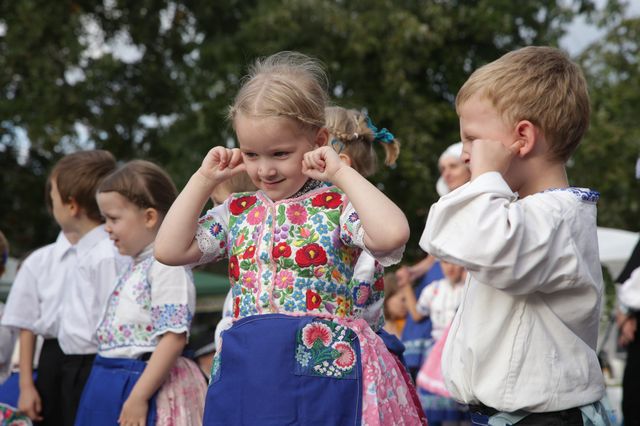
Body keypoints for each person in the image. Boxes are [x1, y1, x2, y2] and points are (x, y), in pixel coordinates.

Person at [155, 51, 425, 425]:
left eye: (280, 153)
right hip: (248, 370)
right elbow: (169, 250)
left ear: (319, 140)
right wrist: (203, 180)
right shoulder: (237, 210)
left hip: (321, 377)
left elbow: (393, 235)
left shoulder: (335, 206)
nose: (264, 169)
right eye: (251, 153)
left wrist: (341, 174)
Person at [421, 46, 614, 425]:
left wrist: (488, 177)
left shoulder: (559, 217)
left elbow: (483, 244)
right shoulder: (518, 215)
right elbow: (443, 234)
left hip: (540, 418)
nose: (464, 155)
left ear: (521, 138)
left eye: (472, 139)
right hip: (503, 415)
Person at [74, 160, 205, 425]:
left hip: (140, 380)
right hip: (110, 377)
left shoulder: (167, 267)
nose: (106, 228)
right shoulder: (136, 267)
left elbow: (173, 337)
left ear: (149, 217)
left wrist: (138, 397)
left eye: (113, 219)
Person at [4, 150, 121, 426]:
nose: (50, 203)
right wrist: (25, 386)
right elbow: (27, 324)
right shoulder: (40, 261)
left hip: (96, 358)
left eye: (53, 196)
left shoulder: (110, 253)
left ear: (71, 205)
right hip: (53, 360)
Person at [396, 142, 471, 380]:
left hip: (467, 275)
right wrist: (412, 273)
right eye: (443, 168)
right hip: (441, 275)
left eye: (453, 166)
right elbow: (432, 258)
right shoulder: (441, 207)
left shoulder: (482, 202)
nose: (446, 173)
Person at [403, 260, 469, 425]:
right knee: (434, 406)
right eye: (446, 263)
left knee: (461, 404)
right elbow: (418, 314)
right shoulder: (434, 289)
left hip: (461, 350)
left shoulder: (469, 288)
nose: (450, 267)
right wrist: (405, 286)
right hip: (437, 352)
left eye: (455, 262)